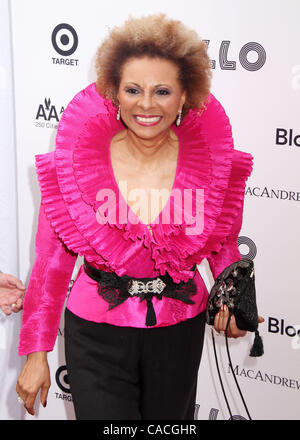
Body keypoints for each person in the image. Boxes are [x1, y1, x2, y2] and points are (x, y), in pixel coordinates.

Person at [16, 14, 263, 419]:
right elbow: (51, 264)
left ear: (185, 96)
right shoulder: (75, 167)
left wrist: (236, 301)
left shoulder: (211, 166)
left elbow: (221, 244)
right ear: (114, 93)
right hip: (95, 332)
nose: (146, 104)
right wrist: (36, 352)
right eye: (133, 90)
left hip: (179, 327)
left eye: (162, 91)